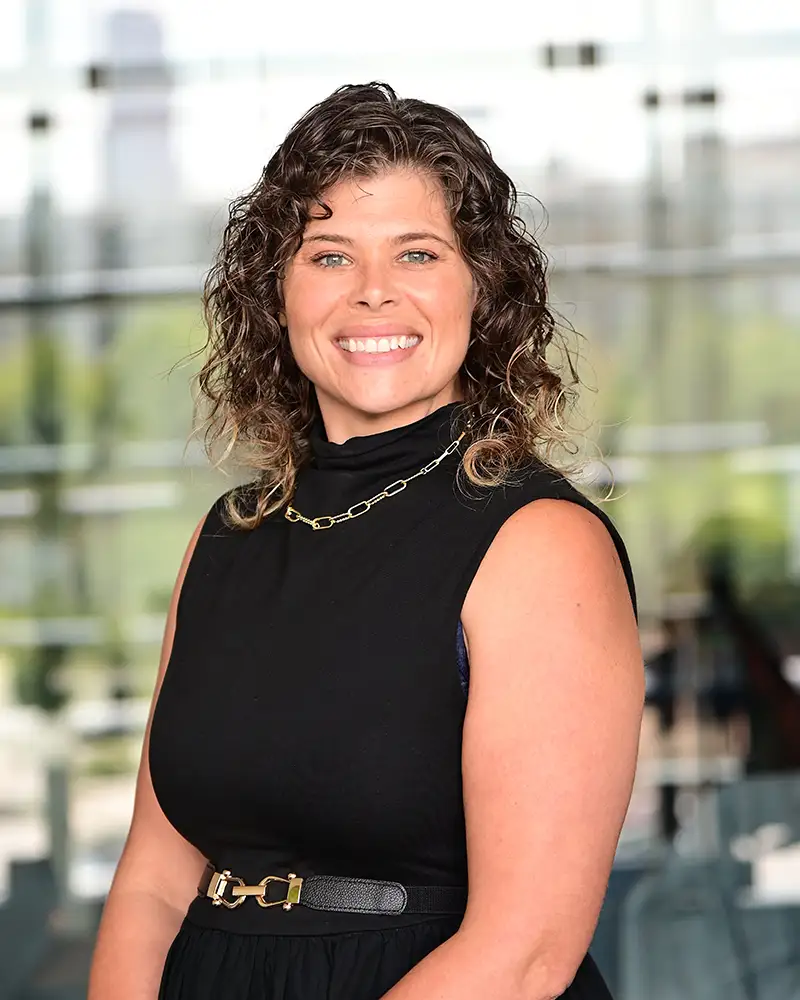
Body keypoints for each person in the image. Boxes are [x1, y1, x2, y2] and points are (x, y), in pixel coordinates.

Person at [88, 81, 643, 1000]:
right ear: (278, 292)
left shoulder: (540, 544)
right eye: (331, 254)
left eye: (418, 253)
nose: (374, 291)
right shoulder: (228, 540)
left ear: (482, 288)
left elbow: (527, 952)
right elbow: (152, 882)